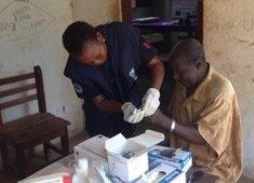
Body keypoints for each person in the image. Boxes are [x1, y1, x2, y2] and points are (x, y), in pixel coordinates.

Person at [146, 39, 243, 183]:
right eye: (174, 72)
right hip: (183, 155)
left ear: (198, 64)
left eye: (180, 72)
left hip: (214, 166)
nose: (175, 77)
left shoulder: (221, 92)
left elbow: (201, 136)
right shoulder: (184, 83)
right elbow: (176, 115)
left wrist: (163, 121)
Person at [62, 21, 165, 137]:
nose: (96, 63)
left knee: (132, 144)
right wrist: (123, 107)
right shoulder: (76, 69)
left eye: (98, 56)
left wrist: (154, 92)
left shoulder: (125, 36)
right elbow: (100, 101)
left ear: (99, 37)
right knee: (101, 148)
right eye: (90, 63)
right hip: (101, 118)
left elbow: (155, 63)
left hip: (132, 98)